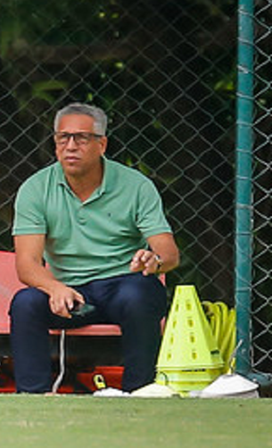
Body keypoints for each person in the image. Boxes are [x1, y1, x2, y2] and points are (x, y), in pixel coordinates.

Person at [10, 102, 180, 393]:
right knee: (25, 303)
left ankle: (139, 392)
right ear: (55, 144)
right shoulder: (35, 188)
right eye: (63, 138)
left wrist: (155, 260)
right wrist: (55, 288)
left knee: (141, 293)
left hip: (124, 285)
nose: (71, 146)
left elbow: (169, 253)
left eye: (82, 138)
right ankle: (31, 396)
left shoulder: (136, 185)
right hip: (70, 292)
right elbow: (27, 265)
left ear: (102, 144)